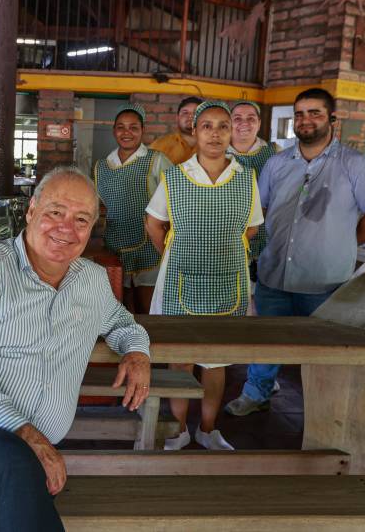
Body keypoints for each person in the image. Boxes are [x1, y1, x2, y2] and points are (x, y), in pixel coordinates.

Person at [0, 167, 152, 532]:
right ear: (32, 210)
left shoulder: (91, 281)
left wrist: (136, 352)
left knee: (17, 483)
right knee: (15, 464)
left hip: (25, 455)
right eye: (56, 212)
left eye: (81, 219)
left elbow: (120, 322)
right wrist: (26, 434)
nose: (66, 228)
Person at [225, 88, 365, 417]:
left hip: (325, 279)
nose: (306, 120)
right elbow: (260, 209)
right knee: (267, 340)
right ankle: (256, 393)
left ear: (331, 119)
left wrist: (346, 242)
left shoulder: (356, 164)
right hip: (275, 270)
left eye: (314, 113)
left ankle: (322, 409)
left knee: (323, 350)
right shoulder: (277, 163)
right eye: (300, 114)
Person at [145, 101, 263, 451]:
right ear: (194, 132)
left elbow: (252, 229)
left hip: (228, 282)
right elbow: (153, 223)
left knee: (216, 361)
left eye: (223, 126)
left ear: (231, 133)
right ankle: (179, 429)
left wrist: (219, 249)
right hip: (179, 281)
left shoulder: (246, 178)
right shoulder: (175, 177)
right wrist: (175, 254)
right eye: (207, 126)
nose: (215, 133)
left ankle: (208, 429)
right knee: (180, 360)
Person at [94, 103, 172, 313]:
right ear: (114, 130)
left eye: (133, 127)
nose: (126, 132)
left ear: (142, 130)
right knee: (121, 308)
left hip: (150, 245)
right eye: (121, 127)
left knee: (147, 308)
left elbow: (177, 200)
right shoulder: (102, 166)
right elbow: (100, 206)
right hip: (115, 245)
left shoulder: (156, 160)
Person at [227, 100, 279, 266]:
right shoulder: (215, 153)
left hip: (268, 233)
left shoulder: (275, 152)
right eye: (237, 118)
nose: (244, 123)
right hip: (228, 234)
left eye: (251, 118)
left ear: (259, 123)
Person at [149, 96, 202, 165]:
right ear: (177, 118)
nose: (191, 116)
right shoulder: (159, 146)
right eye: (185, 112)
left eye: (196, 113)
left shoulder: (213, 146)